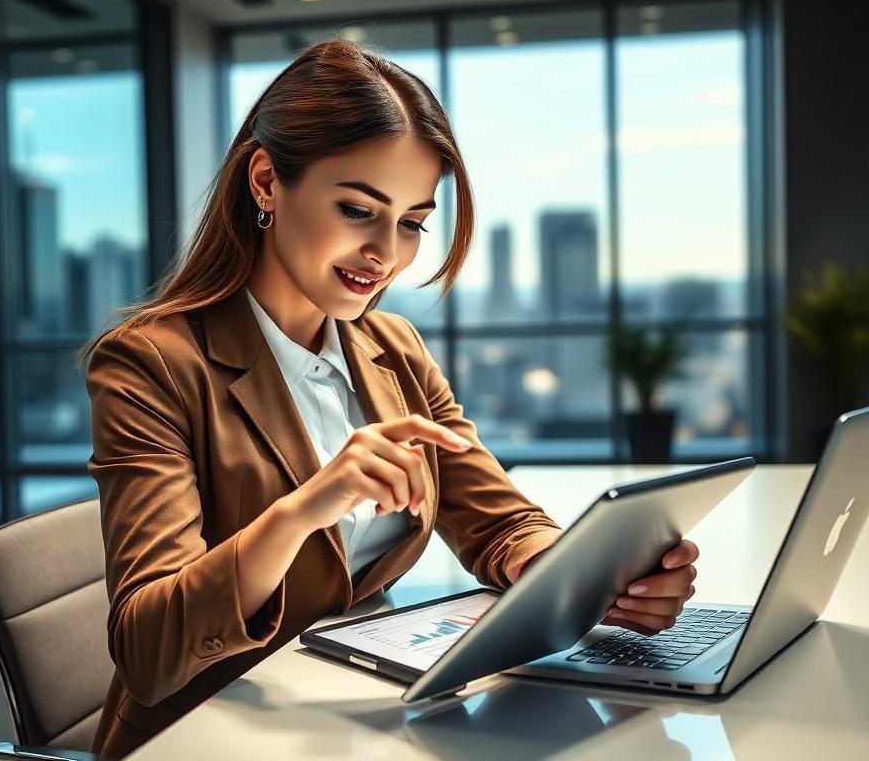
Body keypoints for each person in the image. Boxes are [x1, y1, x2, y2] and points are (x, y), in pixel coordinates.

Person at [79, 37, 699, 759]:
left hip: (352, 719)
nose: (387, 254)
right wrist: (305, 508)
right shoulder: (149, 363)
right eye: (356, 209)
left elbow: (499, 521)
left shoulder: (392, 347)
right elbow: (149, 651)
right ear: (266, 182)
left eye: (410, 223)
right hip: (206, 735)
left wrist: (589, 578)